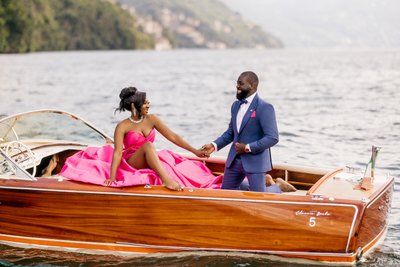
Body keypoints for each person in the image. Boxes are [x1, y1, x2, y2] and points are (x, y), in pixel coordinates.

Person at [59, 87, 222, 191]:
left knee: (169, 158)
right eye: (145, 103)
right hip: (131, 160)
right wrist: (112, 177)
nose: (148, 104)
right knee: (149, 146)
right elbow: (117, 153)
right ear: (133, 106)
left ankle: (172, 176)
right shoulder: (122, 126)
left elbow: (173, 136)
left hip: (149, 155)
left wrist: (195, 151)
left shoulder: (152, 119)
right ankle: (166, 180)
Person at [202, 71, 281, 192]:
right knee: (226, 195)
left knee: (258, 198)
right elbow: (231, 133)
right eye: (237, 83)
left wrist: (247, 147)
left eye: (241, 83)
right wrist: (214, 145)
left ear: (252, 86)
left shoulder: (265, 107)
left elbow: (272, 137)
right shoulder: (235, 105)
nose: (237, 86)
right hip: (234, 160)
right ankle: (267, 182)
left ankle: (277, 187)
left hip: (255, 162)